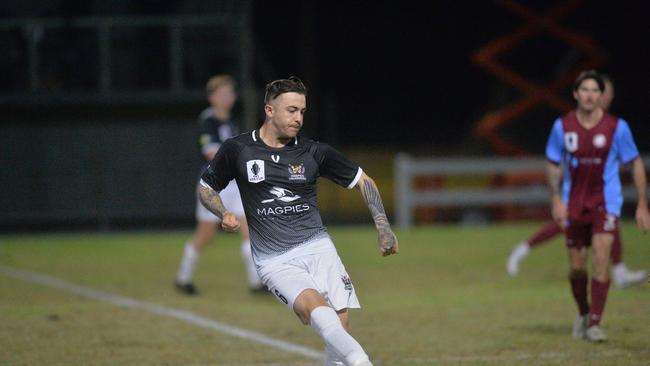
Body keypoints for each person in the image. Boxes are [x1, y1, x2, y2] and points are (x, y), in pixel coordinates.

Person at [198, 76, 399, 366]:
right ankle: (362, 361)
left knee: (337, 336)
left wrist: (384, 228)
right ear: (269, 110)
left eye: (302, 111)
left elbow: (363, 181)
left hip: (319, 248)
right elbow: (207, 188)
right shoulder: (238, 149)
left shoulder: (313, 152)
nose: (298, 118)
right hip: (275, 259)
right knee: (318, 312)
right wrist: (223, 213)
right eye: (291, 110)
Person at [507, 75, 647, 288]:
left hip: (603, 196)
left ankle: (618, 271)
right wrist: (557, 193)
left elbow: (630, 159)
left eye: (607, 94)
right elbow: (558, 159)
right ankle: (523, 248)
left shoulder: (614, 126)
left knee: (609, 222)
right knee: (564, 230)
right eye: (604, 93)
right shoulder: (568, 125)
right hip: (575, 195)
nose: (606, 98)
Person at [544, 70, 650, 342]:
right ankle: (582, 312)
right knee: (577, 268)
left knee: (601, 258)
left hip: (606, 202)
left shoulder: (617, 127)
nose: (590, 95)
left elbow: (635, 162)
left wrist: (642, 204)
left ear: (601, 96)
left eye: (595, 90)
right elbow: (553, 162)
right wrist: (556, 198)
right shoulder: (562, 127)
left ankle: (594, 323)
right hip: (573, 205)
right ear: (576, 94)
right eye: (585, 90)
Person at [175, 74, 263, 295]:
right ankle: (183, 278)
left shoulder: (231, 122)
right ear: (211, 97)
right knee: (206, 235)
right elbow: (210, 153)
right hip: (213, 186)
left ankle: (256, 283)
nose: (227, 98)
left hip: (233, 185)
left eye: (230, 93)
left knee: (249, 230)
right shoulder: (208, 121)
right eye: (222, 94)